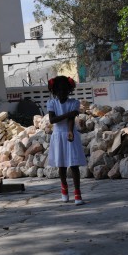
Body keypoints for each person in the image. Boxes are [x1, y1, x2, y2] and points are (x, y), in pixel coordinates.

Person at [47, 75, 87, 205]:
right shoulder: (52, 103)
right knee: (61, 165)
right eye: (59, 91)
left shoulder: (74, 103)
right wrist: (69, 114)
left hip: (70, 134)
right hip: (58, 136)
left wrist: (70, 131)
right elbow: (52, 120)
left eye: (64, 91)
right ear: (55, 92)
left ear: (69, 91)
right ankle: (64, 189)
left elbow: (71, 120)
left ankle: (77, 193)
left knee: (74, 165)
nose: (62, 93)